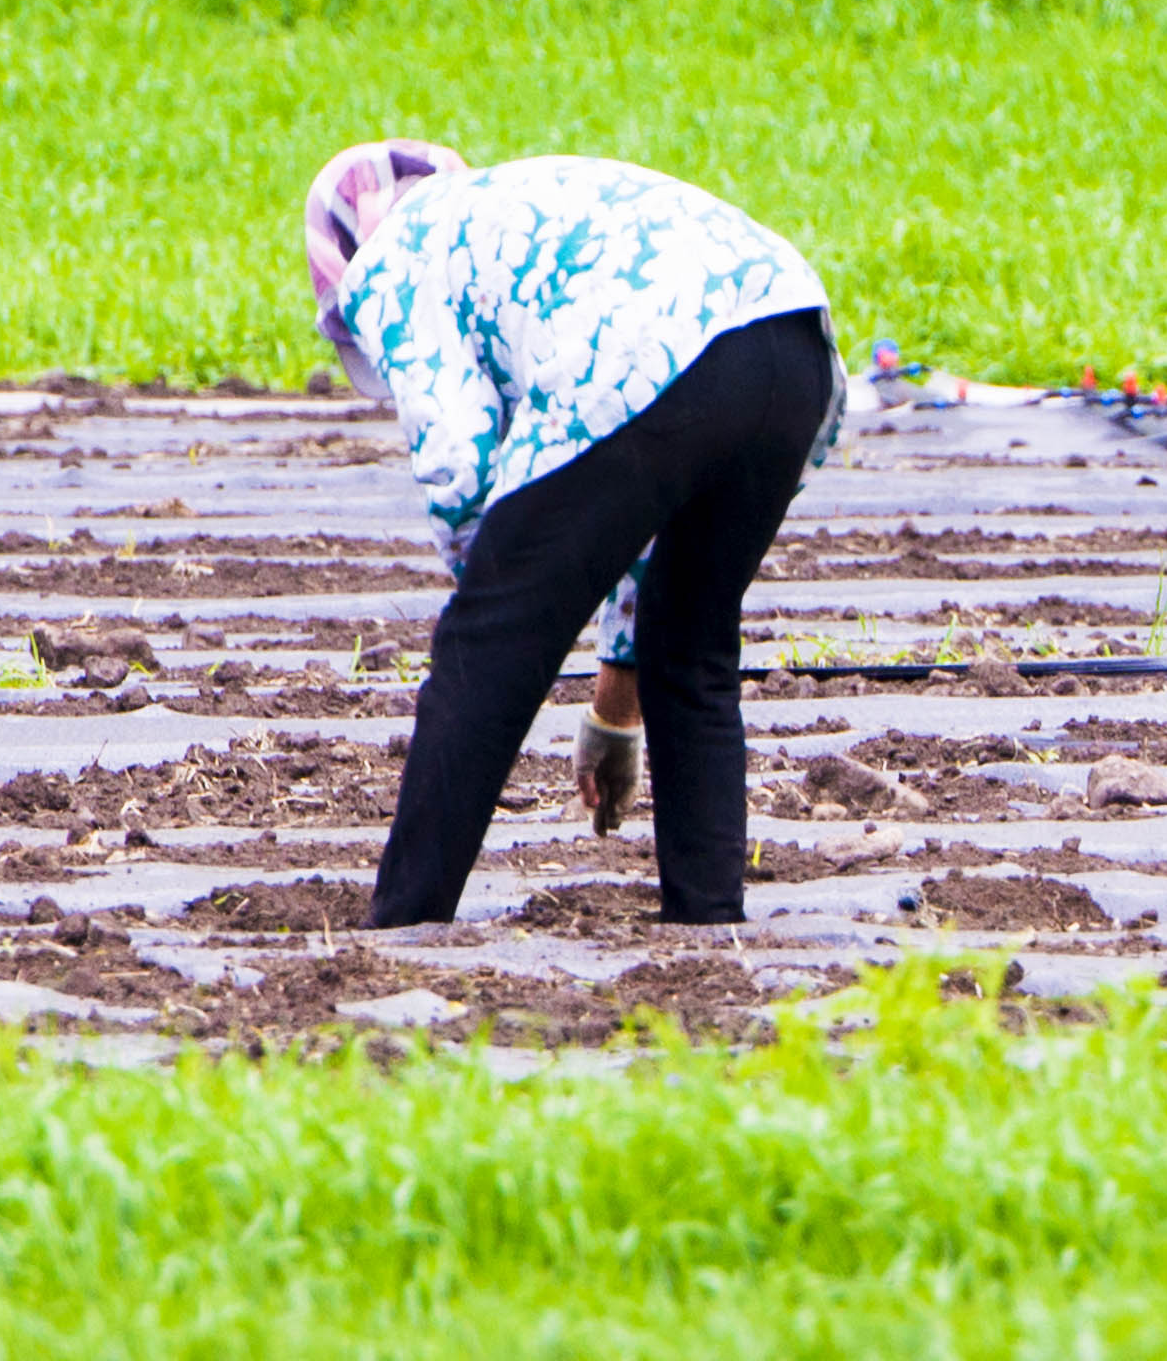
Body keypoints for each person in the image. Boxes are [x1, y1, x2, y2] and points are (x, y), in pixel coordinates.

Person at [306, 140, 841, 930]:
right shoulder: (514, 204)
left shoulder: (393, 254)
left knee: (486, 645)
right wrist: (617, 704)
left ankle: (405, 923)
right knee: (691, 646)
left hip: (647, 350)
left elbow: (457, 454)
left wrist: (493, 596)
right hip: (790, 346)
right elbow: (634, 488)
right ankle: (707, 923)